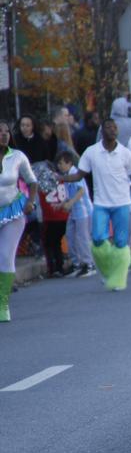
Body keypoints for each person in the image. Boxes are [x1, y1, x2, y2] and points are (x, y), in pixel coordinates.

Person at [59, 119, 131, 291]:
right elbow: (79, 175)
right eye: (108, 127)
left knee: (121, 243)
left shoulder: (124, 152)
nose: (112, 130)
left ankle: (118, 277)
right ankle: (106, 271)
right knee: (98, 239)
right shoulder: (92, 152)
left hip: (122, 203)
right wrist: (61, 178)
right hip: (101, 203)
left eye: (115, 127)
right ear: (102, 131)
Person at [0, 121, 39, 321]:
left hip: (13, 211)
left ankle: (3, 303)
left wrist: (31, 201)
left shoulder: (17, 157)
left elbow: (32, 182)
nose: (4, 135)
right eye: (0, 132)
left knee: (6, 256)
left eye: (6, 131)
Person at [54, 151, 95, 277]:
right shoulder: (66, 176)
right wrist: (60, 205)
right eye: (58, 164)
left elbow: (81, 191)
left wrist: (70, 203)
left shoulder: (75, 174)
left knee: (82, 238)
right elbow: (68, 195)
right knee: (70, 236)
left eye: (61, 163)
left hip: (83, 211)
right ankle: (76, 263)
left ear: (69, 163)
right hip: (74, 212)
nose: (59, 166)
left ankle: (89, 264)